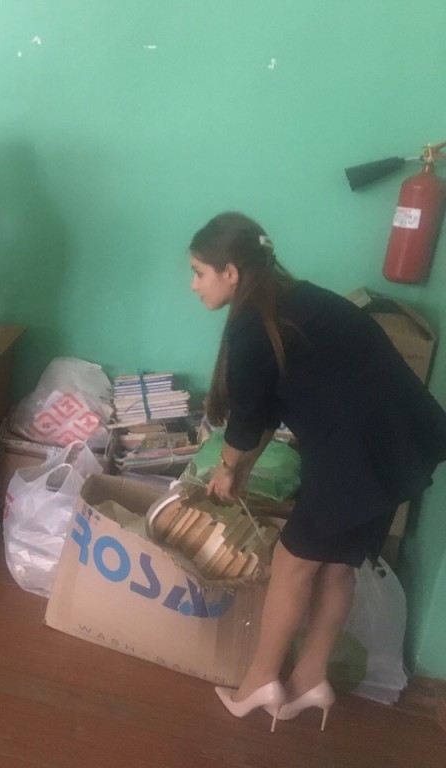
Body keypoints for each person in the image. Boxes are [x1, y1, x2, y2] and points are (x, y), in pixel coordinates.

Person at [189, 211, 446, 731]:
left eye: (199, 272)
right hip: (401, 448)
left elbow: (246, 422)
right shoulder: (296, 301)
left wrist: (227, 469)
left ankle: (261, 680)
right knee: (336, 565)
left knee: (293, 563)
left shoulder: (254, 327)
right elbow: (266, 412)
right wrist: (239, 469)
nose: (193, 284)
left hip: (358, 456)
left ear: (230, 272)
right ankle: (311, 679)